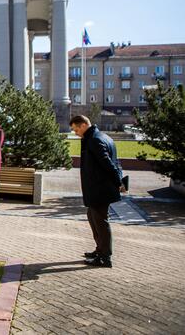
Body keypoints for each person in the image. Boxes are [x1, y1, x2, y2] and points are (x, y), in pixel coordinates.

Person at [70, 115, 124, 268]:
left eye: (75, 129)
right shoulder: (101, 137)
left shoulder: (94, 139)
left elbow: (108, 164)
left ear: (83, 125)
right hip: (99, 188)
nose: (75, 133)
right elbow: (115, 161)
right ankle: (100, 249)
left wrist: (119, 182)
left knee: (101, 222)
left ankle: (105, 257)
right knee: (92, 216)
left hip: (100, 189)